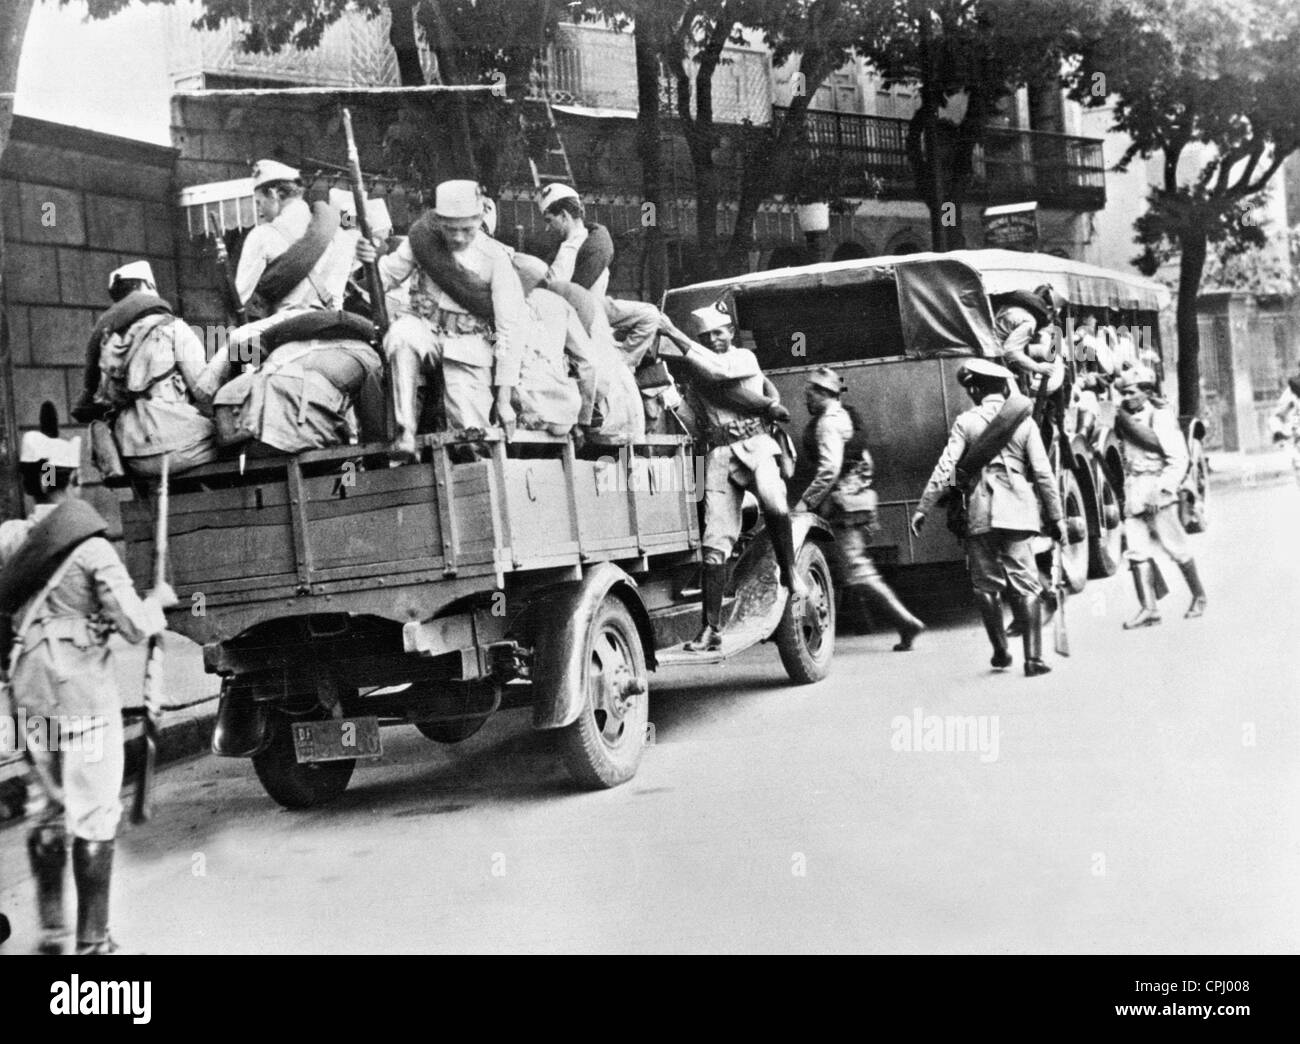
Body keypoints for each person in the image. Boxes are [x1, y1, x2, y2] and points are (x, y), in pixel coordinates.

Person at [0, 430, 175, 954]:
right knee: (94, 814)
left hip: (32, 695)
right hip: (84, 703)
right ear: (73, 481)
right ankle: (93, 943)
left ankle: (52, 929)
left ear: (30, 484)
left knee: (47, 807)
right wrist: (157, 601)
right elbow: (130, 624)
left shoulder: (9, 539)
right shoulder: (92, 547)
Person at [657, 302, 806, 653]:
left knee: (773, 501)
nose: (714, 340)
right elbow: (695, 425)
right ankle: (711, 629)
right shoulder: (697, 375)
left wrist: (673, 333)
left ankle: (789, 570)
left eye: (719, 333)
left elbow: (720, 374)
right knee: (713, 547)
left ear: (731, 333)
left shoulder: (742, 359)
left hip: (755, 445)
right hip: (720, 457)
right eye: (706, 336)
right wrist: (670, 398)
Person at [911, 359, 1066, 677]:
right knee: (1027, 586)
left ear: (975, 388)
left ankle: (1000, 652)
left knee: (985, 586)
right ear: (1004, 387)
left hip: (979, 512)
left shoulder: (966, 422)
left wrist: (924, 507)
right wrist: (1057, 517)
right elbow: (1043, 474)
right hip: (1018, 511)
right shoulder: (1024, 421)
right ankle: (1034, 659)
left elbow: (948, 471)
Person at [358, 179, 527, 457]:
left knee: (472, 437)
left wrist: (505, 398)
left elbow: (509, 331)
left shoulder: (495, 258)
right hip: (423, 327)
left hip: (469, 345)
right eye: (450, 229)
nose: (459, 237)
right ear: (438, 221)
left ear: (479, 218)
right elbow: (385, 277)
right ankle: (405, 431)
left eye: (467, 229)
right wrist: (368, 260)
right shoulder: (423, 242)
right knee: (401, 335)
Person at [793, 367, 924, 651]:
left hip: (843, 505)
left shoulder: (827, 423)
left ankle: (905, 622)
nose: (806, 401)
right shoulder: (845, 417)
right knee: (849, 567)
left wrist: (806, 501)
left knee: (858, 571)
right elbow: (864, 462)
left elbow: (829, 469)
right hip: (857, 501)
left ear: (823, 393)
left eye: (809, 395)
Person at [70, 261, 218, 476]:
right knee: (229, 439)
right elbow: (203, 391)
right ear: (147, 285)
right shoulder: (174, 327)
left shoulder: (108, 341)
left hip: (134, 457)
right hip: (183, 448)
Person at [1113, 365, 1206, 627]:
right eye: (1123, 392)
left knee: (1176, 548)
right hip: (1135, 489)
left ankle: (1199, 596)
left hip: (1157, 488)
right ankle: (1149, 609)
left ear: (1146, 391)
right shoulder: (1123, 418)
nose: (1126, 397)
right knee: (1136, 551)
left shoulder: (1160, 417)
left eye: (1131, 392)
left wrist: (1163, 490)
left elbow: (1179, 459)